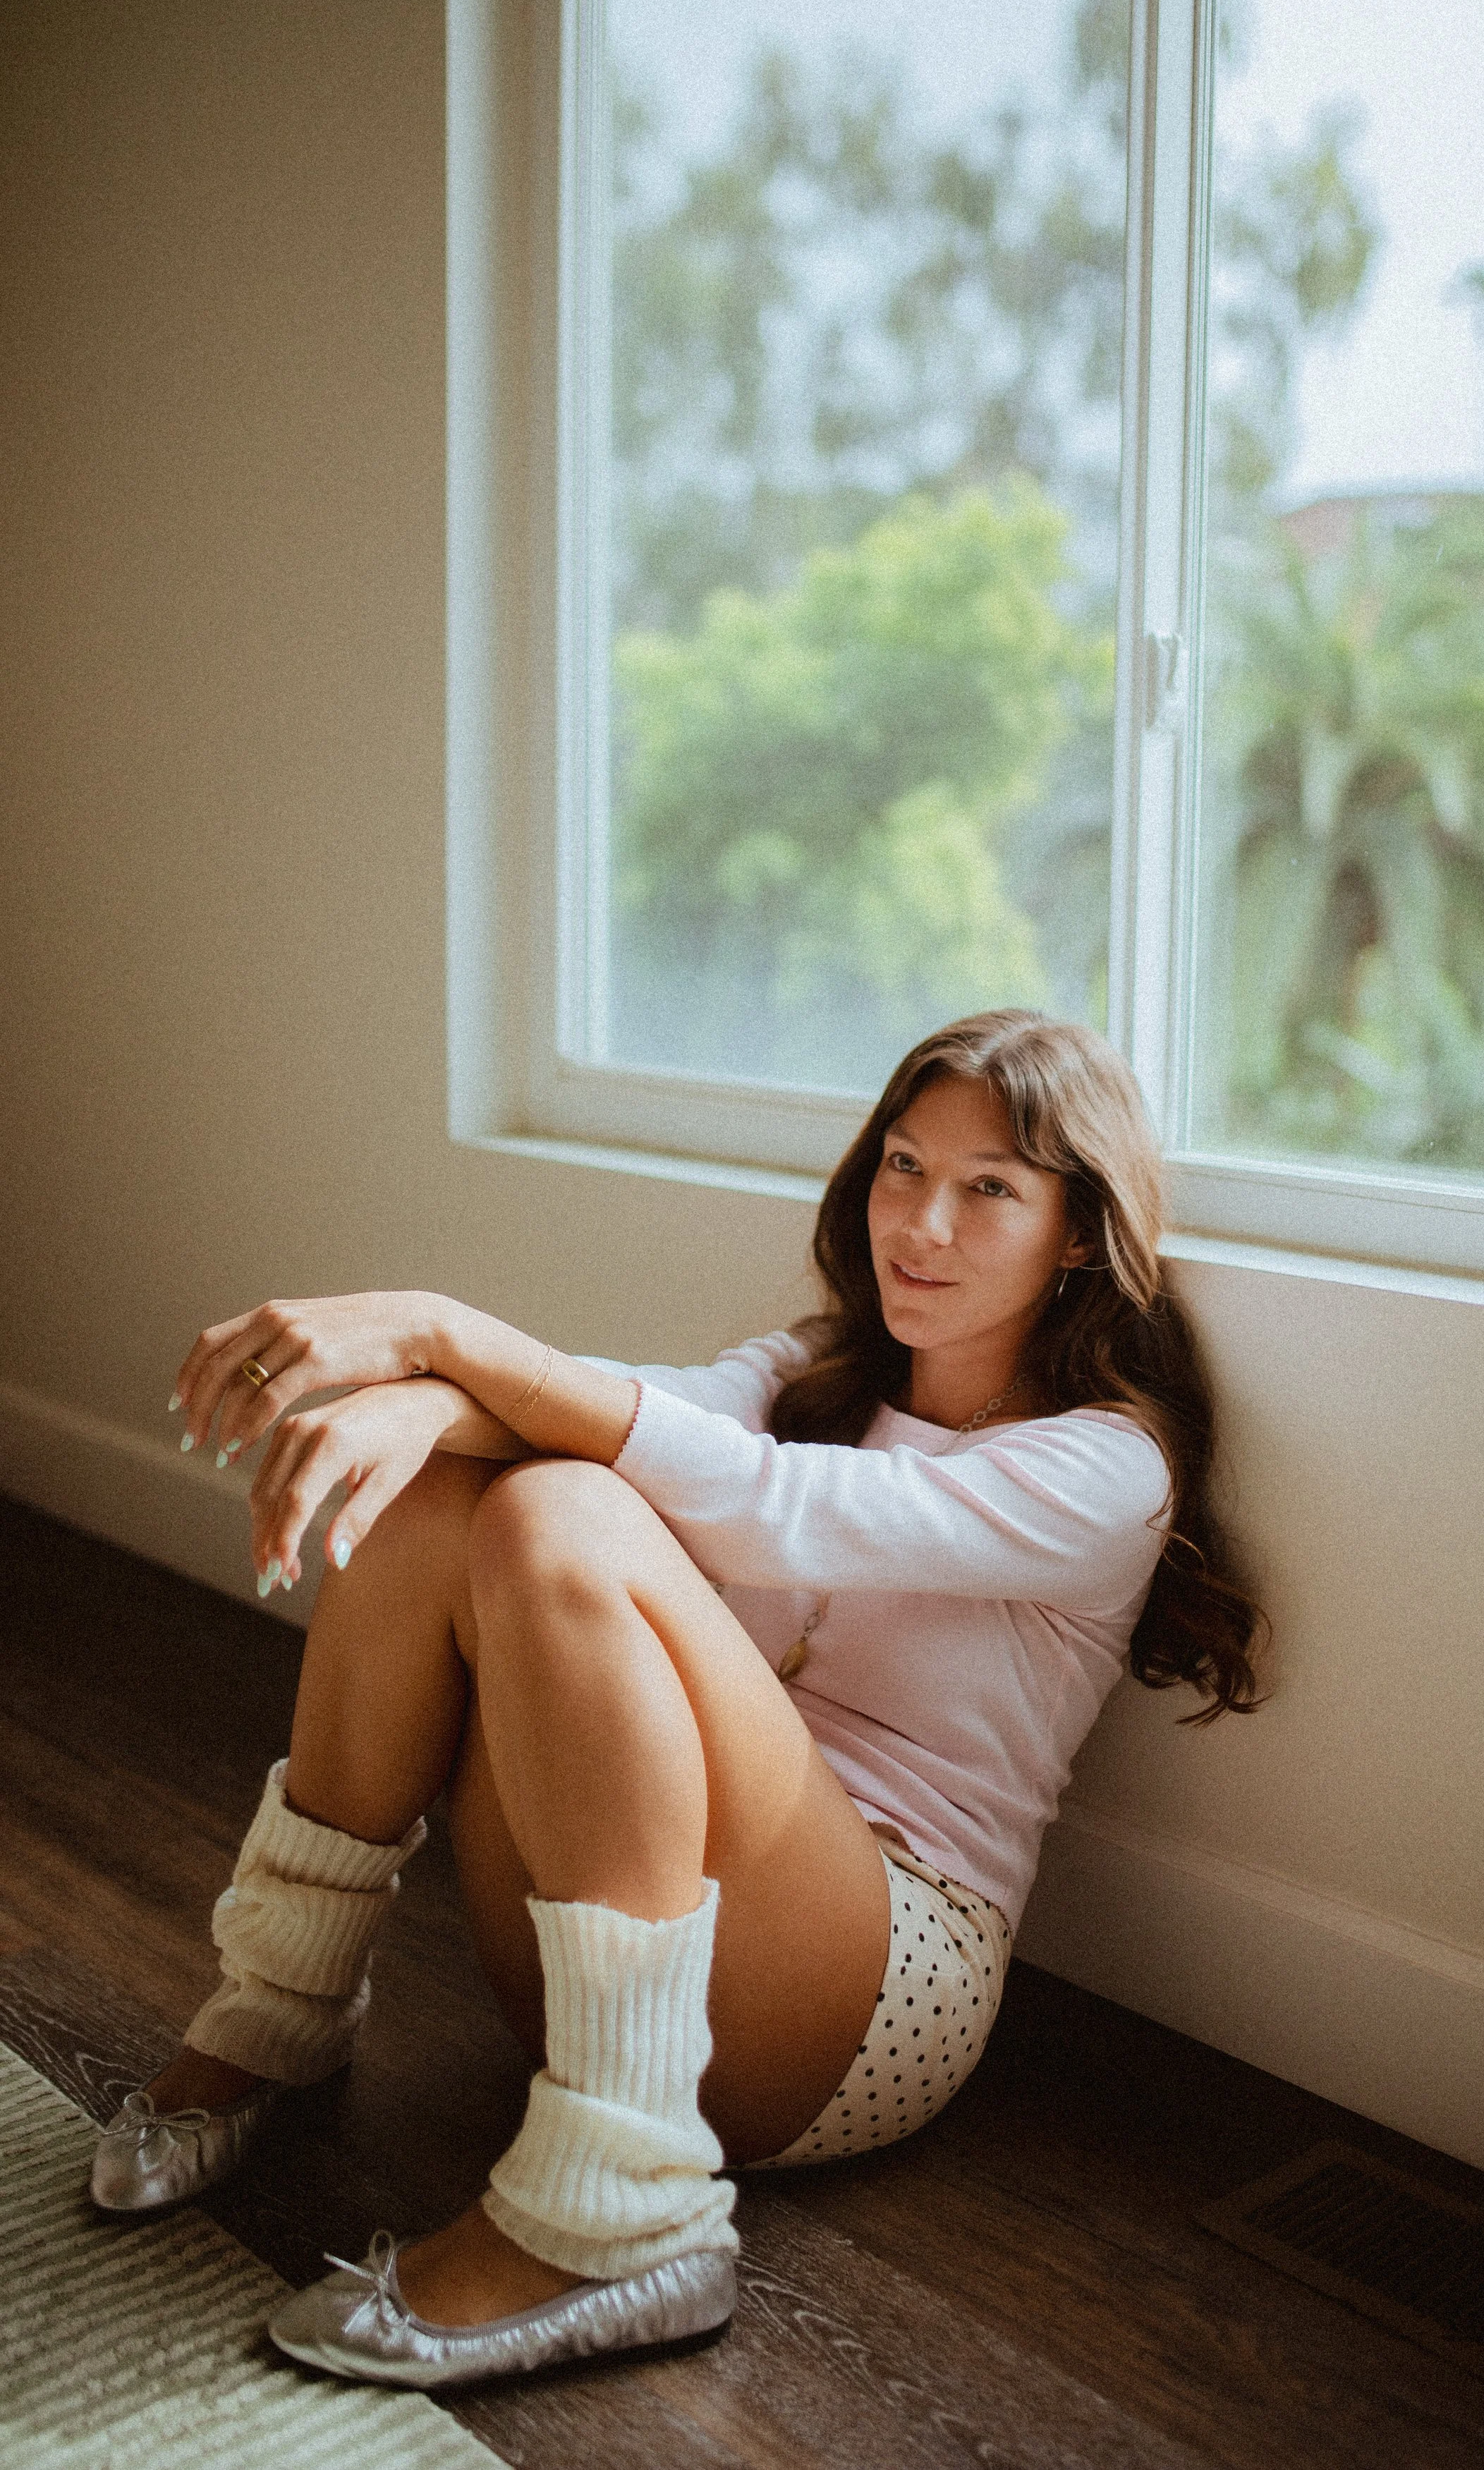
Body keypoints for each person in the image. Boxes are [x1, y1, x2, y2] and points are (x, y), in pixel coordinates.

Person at [89, 1009, 1265, 2387]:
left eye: (986, 1188)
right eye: (900, 1166)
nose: (921, 1224)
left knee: (562, 1515)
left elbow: (766, 1507)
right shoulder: (814, 1371)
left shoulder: (1103, 1471)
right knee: (443, 1499)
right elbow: (639, 1405)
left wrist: (436, 1335)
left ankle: (626, 2216)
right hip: (622, 1970)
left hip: (859, 2004)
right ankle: (278, 2011)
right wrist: (426, 1408)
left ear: (1076, 1235)